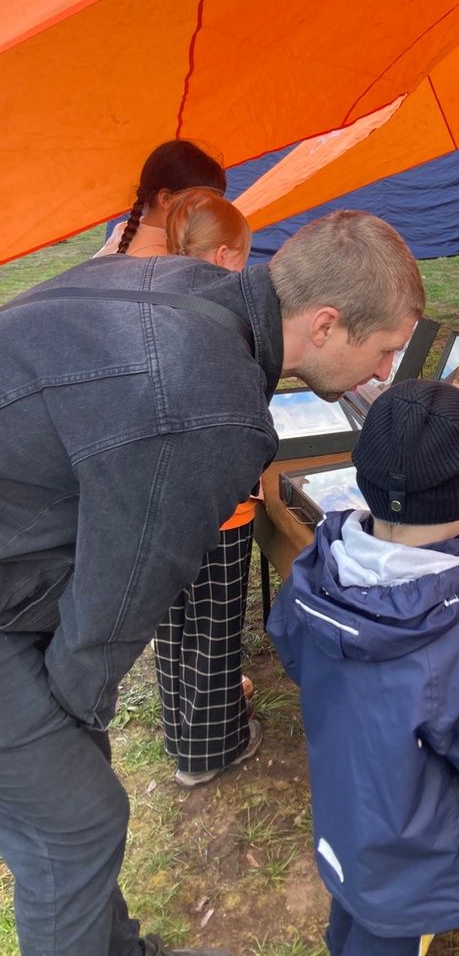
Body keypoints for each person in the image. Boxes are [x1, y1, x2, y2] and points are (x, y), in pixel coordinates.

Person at [0, 207, 425, 956]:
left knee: (69, 804)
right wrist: (69, 728)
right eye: (386, 349)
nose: (387, 373)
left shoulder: (186, 282)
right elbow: (115, 607)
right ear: (325, 324)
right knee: (74, 824)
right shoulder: (208, 408)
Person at [268, 379, 459, 956]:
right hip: (414, 856)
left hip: (348, 809)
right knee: (387, 937)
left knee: (353, 913)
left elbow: (289, 644)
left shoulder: (314, 574)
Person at [122, 187, 261, 787]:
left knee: (175, 620)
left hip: (160, 497)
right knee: (216, 624)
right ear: (228, 257)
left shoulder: (150, 295)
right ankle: (208, 751)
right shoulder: (221, 318)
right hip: (219, 506)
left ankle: (183, 723)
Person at [95, 139, 227, 257]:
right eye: (202, 206)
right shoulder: (159, 259)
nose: (210, 217)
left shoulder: (125, 230)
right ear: (166, 200)